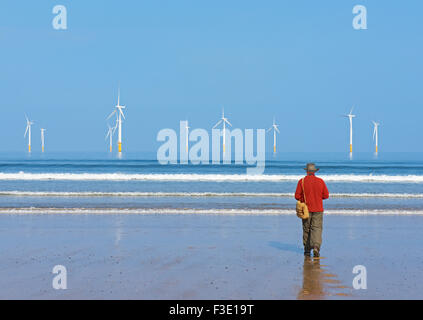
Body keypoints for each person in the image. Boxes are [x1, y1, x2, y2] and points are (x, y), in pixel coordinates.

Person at [295, 163, 329, 257]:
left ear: (306, 171)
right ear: (314, 172)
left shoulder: (301, 181)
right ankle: (316, 247)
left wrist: (303, 198)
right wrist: (317, 197)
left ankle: (307, 250)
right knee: (317, 228)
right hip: (318, 209)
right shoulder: (320, 181)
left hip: (306, 209)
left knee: (307, 229)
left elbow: (297, 196)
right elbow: (326, 195)